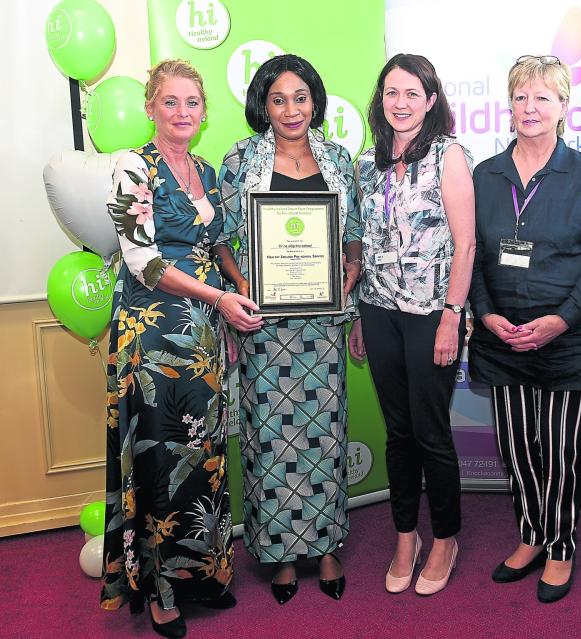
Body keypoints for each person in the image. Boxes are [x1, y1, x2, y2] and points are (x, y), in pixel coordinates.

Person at [101, 59, 262, 639]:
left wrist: (240, 294)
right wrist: (220, 299)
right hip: (152, 333)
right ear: (150, 107)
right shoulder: (131, 168)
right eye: (170, 102)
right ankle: (161, 592)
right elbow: (143, 262)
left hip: (205, 333)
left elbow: (218, 244)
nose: (183, 112)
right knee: (161, 457)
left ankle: (206, 575)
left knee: (205, 453)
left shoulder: (206, 169)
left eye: (192, 102)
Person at [468, 55, 581, 603]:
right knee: (517, 448)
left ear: (564, 107)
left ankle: (561, 544)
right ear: (508, 106)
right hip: (502, 340)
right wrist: (486, 315)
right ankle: (532, 534)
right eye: (520, 97)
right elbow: (473, 256)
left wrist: (559, 321)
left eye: (543, 97)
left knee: (559, 451)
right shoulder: (485, 175)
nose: (530, 108)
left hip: (572, 342)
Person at [215, 54, 362, 605]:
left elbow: (355, 235)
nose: (291, 109)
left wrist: (350, 274)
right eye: (279, 99)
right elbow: (224, 239)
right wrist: (242, 286)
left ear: (314, 101)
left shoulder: (339, 160)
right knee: (272, 441)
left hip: (323, 325)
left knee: (323, 440)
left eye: (301, 97)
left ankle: (325, 549)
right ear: (263, 105)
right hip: (265, 324)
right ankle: (279, 554)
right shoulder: (240, 160)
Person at [348, 53, 475, 597]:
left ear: (430, 100)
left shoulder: (448, 155)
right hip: (378, 311)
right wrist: (358, 315)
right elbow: (363, 244)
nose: (400, 103)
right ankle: (407, 536)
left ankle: (445, 537)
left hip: (431, 315)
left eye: (411, 93)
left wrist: (453, 316)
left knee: (430, 432)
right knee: (398, 433)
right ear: (381, 98)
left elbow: (466, 244)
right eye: (391, 92)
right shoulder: (365, 161)